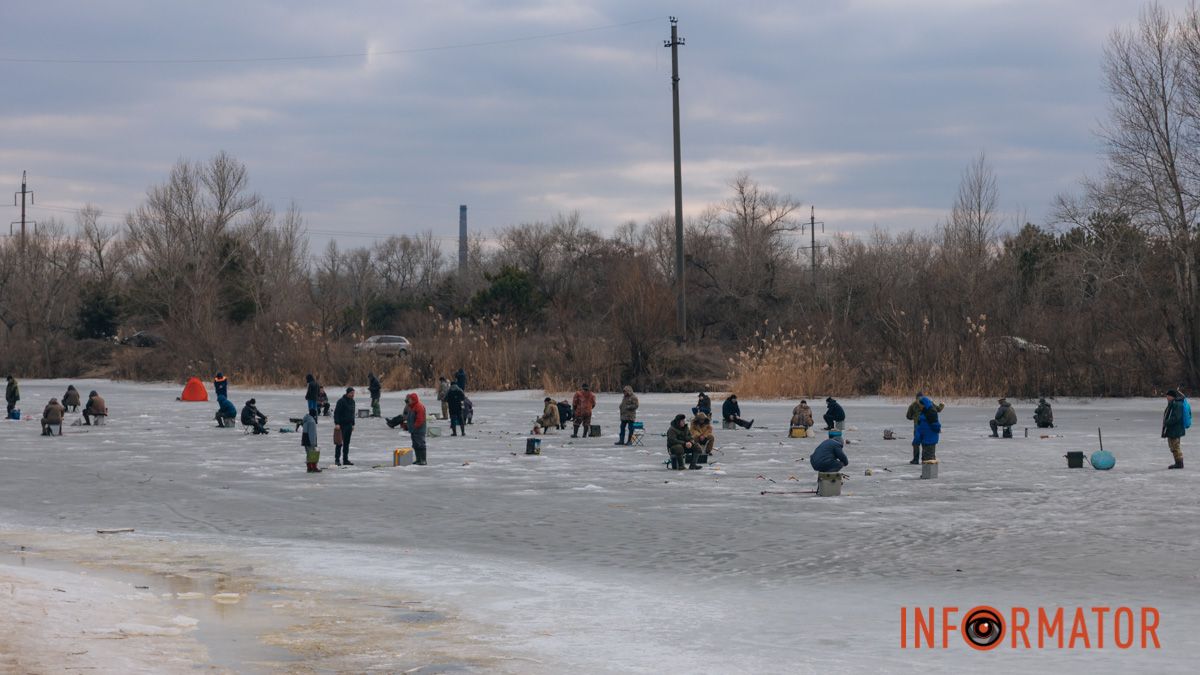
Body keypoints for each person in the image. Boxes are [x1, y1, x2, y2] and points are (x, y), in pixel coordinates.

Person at [399, 392, 428, 465]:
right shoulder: (411, 407)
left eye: (409, 399)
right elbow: (409, 417)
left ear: (413, 399)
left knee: (420, 444)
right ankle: (418, 459)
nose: (408, 401)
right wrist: (406, 425)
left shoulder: (419, 407)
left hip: (419, 429)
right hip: (413, 429)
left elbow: (420, 419)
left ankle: (423, 460)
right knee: (415, 444)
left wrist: (414, 426)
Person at [1163, 389, 1187, 469]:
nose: (1167, 397)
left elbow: (1176, 417)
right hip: (1173, 429)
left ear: (1172, 396)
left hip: (1175, 429)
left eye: (1168, 396)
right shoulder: (1173, 403)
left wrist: (1167, 422)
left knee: (1175, 446)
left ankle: (1179, 463)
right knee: (1173, 446)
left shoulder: (1177, 404)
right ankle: (1178, 462)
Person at [914, 396, 942, 462]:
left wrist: (938, 430)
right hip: (925, 440)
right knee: (925, 460)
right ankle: (927, 472)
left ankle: (930, 472)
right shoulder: (924, 411)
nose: (919, 406)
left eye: (920, 405)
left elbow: (936, 425)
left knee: (929, 460)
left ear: (923, 404)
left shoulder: (930, 412)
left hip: (930, 440)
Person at [333, 387, 356, 466]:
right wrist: (337, 423)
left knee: (347, 443)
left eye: (353, 393)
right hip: (341, 425)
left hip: (349, 425)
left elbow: (352, 414)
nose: (353, 395)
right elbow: (336, 413)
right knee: (339, 443)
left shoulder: (353, 402)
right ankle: (337, 460)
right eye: (351, 393)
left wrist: (353, 424)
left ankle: (345, 460)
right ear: (347, 393)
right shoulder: (341, 401)